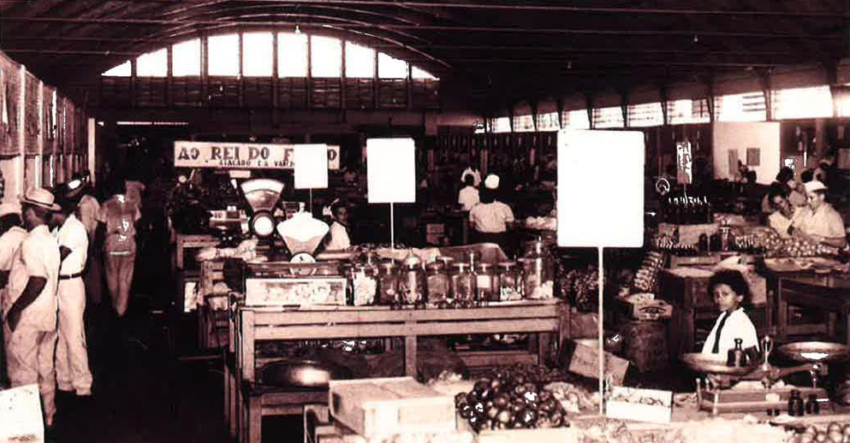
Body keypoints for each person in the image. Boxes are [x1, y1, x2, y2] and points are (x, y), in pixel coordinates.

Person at [2, 188, 62, 428]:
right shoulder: (50, 240)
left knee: (21, 376)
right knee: (45, 369)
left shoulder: (30, 242)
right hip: (48, 316)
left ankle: (24, 434)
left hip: (28, 319)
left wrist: (16, 309)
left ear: (31, 213)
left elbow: (39, 279)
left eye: (26, 210)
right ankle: (48, 416)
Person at [53, 188, 93, 397]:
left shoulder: (74, 229)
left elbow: (57, 257)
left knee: (75, 335)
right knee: (60, 335)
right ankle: (64, 380)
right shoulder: (58, 229)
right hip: (58, 285)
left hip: (71, 284)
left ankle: (83, 384)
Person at [99, 178, 141, 318]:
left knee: (111, 273)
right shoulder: (132, 204)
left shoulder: (106, 205)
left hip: (112, 241)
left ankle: (114, 305)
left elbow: (101, 225)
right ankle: (122, 309)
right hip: (128, 241)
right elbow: (137, 222)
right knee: (125, 275)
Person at [701, 269, 759, 356]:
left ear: (739, 297)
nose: (719, 299)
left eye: (725, 294)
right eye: (716, 295)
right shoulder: (723, 317)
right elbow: (709, 346)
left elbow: (753, 355)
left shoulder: (742, 322)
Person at [0, 202, 27, 388]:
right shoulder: (27, 235)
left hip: (9, 295)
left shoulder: (6, 239)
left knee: (10, 350)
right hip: (27, 298)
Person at [790, 180, 847, 249]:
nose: (808, 201)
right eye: (806, 197)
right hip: (807, 249)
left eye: (811, 198)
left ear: (821, 197)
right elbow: (792, 227)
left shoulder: (831, 215)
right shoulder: (806, 210)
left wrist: (822, 239)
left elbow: (842, 243)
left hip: (827, 254)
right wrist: (795, 232)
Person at [469, 174, 514, 252]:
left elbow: (471, 226)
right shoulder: (504, 207)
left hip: (481, 241)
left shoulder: (475, 208)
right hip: (500, 242)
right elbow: (511, 226)